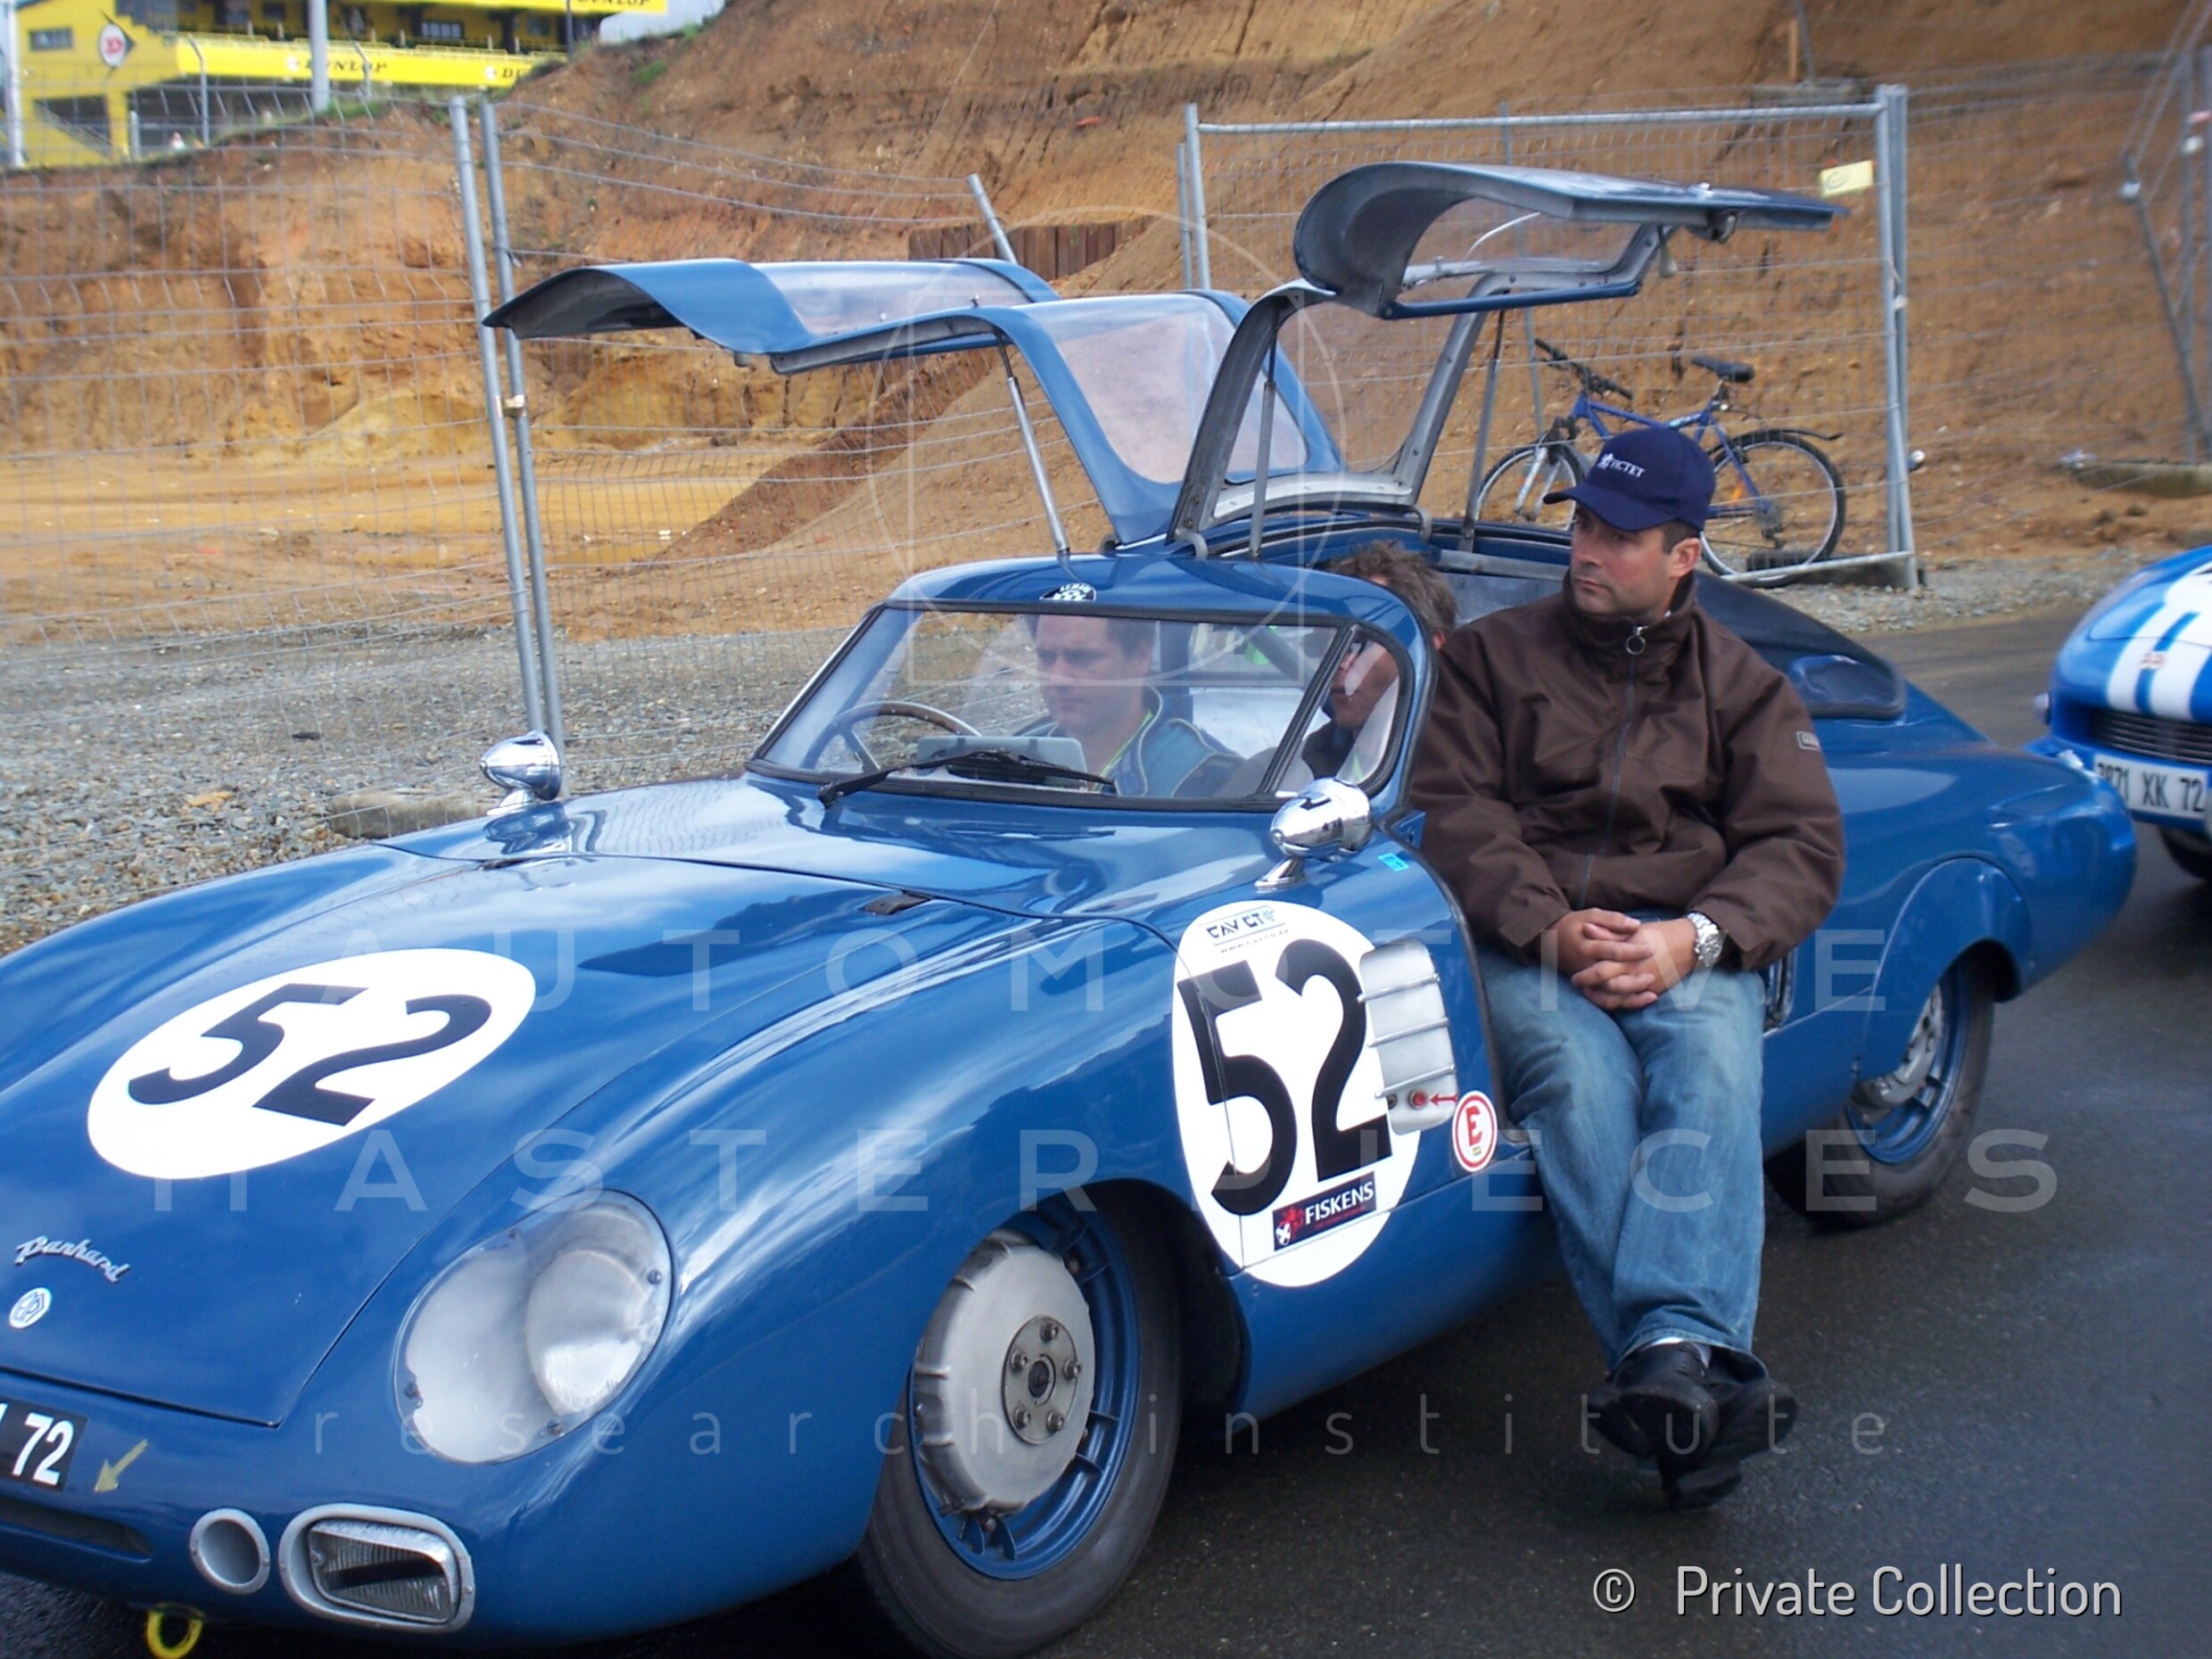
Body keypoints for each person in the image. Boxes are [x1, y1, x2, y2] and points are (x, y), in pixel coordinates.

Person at [1407, 424, 1845, 1509]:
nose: (1587, 551)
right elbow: (1451, 809)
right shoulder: (1489, 658)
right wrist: (1548, 927)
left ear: (1682, 556)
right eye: (1583, 527)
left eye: (1618, 537)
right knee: (1577, 1078)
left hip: (1684, 939)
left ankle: (1661, 1369)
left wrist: (1694, 939)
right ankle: (1694, 1371)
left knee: (1711, 1071)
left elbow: (1799, 845)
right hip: (1523, 938)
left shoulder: (1741, 685)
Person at [1028, 613, 1235, 796]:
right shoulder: (1020, 753)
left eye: (1082, 657)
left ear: (1141, 656)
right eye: (1046, 657)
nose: (1057, 679)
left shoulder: (1206, 778)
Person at [1300, 544, 1457, 786]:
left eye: (1360, 643)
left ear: (1428, 650)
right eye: (1323, 645)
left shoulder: (1466, 771)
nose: (1338, 663)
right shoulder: (1301, 765)